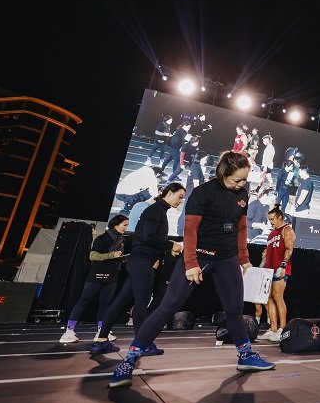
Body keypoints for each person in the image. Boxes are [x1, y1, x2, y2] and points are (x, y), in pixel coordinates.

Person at [109, 152, 273, 387]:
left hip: (226, 258)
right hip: (201, 254)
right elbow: (190, 230)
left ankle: (245, 355)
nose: (242, 184)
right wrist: (192, 263)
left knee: (235, 310)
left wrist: (244, 258)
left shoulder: (242, 194)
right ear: (223, 173)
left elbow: (241, 228)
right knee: (167, 306)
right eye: (237, 180)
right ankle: (129, 360)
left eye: (245, 180)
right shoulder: (203, 193)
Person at [92, 183, 185, 354]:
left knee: (120, 301)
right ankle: (142, 344)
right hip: (141, 262)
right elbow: (148, 237)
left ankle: (101, 341)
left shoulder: (158, 210)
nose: (181, 201)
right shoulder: (155, 210)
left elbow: (147, 238)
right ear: (169, 193)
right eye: (180, 196)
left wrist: (159, 254)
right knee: (141, 302)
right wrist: (171, 244)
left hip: (140, 261)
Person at [59, 216, 129, 344]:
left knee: (105, 304)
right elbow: (93, 256)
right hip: (97, 274)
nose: (126, 227)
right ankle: (69, 331)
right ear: (115, 225)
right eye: (124, 225)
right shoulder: (103, 238)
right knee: (84, 300)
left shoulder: (121, 240)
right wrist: (111, 255)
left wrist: (121, 258)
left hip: (112, 275)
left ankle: (101, 331)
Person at [258, 207, 295, 342]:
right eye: (269, 220)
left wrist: (283, 265)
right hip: (269, 270)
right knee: (268, 298)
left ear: (280, 217)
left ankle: (282, 329)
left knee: (278, 297)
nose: (271, 222)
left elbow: (289, 249)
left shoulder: (287, 229)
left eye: (272, 219)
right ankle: (273, 329)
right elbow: (270, 252)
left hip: (280, 268)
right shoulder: (271, 233)